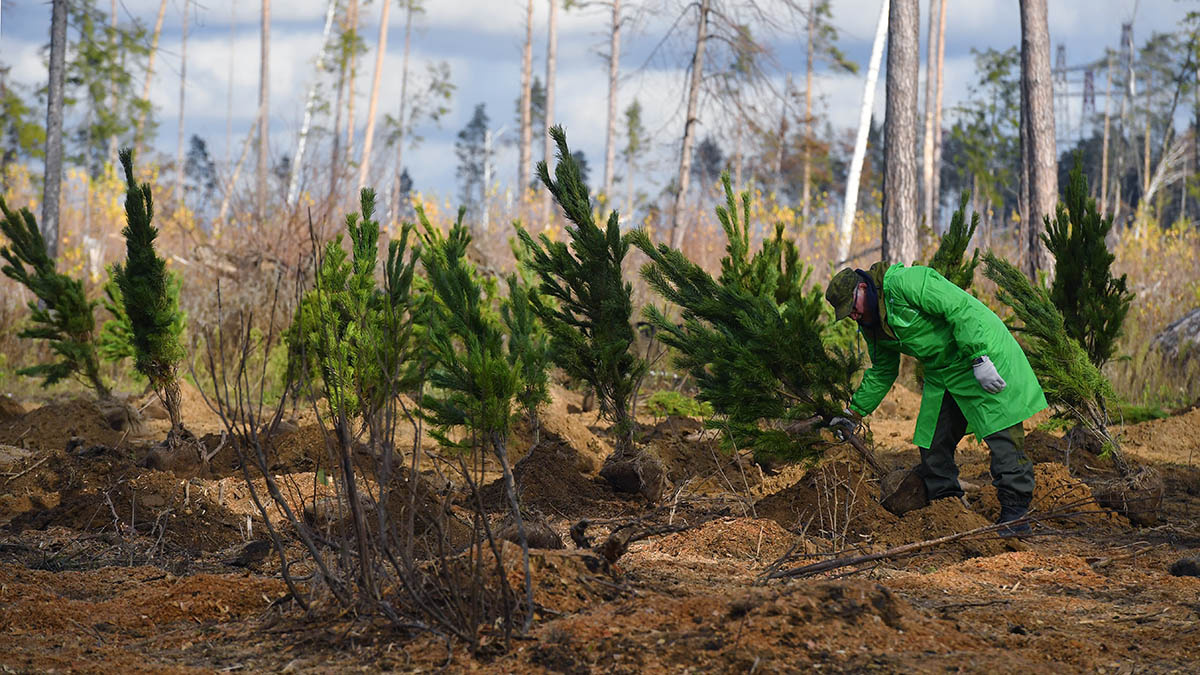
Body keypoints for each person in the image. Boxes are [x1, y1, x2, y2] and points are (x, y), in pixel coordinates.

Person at [824, 261, 1046, 536]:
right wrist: (853, 413)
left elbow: (960, 308)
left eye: (852, 307)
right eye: (847, 314)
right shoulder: (873, 325)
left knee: (1002, 434)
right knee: (932, 441)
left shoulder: (905, 283)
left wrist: (979, 357)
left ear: (862, 287)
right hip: (945, 373)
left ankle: (1015, 517)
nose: (853, 316)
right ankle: (948, 508)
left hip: (981, 354)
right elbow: (883, 371)